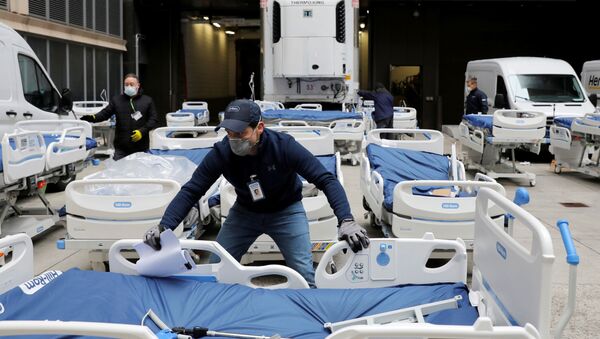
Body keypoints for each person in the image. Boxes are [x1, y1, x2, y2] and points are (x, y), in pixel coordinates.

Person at [143, 99, 370, 286]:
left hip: (286, 212)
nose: (234, 139)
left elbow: (326, 179)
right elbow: (192, 189)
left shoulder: (284, 147)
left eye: (240, 133)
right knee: (216, 267)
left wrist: (346, 219)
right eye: (229, 133)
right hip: (245, 212)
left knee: (303, 275)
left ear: (259, 128)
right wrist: (165, 226)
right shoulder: (222, 152)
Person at [80, 73, 158, 160]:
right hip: (121, 148)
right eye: (126, 84)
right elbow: (104, 114)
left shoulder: (147, 101)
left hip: (141, 146)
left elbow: (153, 119)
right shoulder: (117, 100)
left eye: (131, 84)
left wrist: (142, 131)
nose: (129, 86)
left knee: (139, 171)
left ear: (138, 85)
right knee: (118, 171)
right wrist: (91, 118)